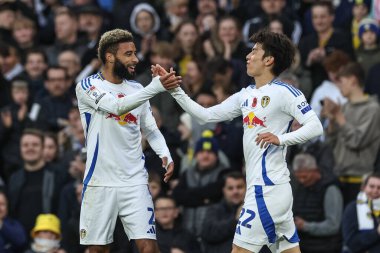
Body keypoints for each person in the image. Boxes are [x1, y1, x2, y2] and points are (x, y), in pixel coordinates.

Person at [156, 30, 323, 253]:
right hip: (268, 189)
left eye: (254, 51)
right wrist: (175, 89)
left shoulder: (285, 92)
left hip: (267, 191)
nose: (248, 56)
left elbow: (315, 126)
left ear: (269, 60)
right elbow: (205, 115)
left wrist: (281, 139)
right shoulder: (245, 95)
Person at [75, 28, 181, 253]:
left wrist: (165, 153)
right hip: (100, 181)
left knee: (149, 248)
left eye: (135, 53)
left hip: (134, 181)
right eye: (129, 54)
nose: (135, 59)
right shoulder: (88, 86)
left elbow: (150, 129)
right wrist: (155, 87)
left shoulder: (136, 89)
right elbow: (116, 106)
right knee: (98, 250)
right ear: (109, 57)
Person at [322, 62, 380, 206]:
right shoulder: (344, 108)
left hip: (361, 181)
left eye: (341, 81)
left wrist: (339, 117)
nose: (338, 86)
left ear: (353, 80)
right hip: (339, 177)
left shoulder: (373, 109)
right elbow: (330, 142)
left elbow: (356, 141)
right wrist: (331, 120)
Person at [292, 153, 343, 253]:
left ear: (315, 171)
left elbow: (333, 225)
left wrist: (306, 226)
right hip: (302, 245)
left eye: (305, 177)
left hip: (325, 246)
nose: (301, 181)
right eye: (298, 177)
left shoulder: (330, 189)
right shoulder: (301, 187)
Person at [201, 171, 247, 253]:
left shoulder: (257, 212)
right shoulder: (214, 209)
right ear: (224, 190)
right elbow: (208, 233)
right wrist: (236, 221)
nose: (235, 191)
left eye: (239, 187)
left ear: (247, 189)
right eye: (230, 188)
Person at [342, 172, 380, 253]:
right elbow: (351, 243)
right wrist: (377, 233)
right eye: (371, 186)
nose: (375, 191)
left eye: (379, 188)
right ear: (363, 188)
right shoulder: (352, 208)